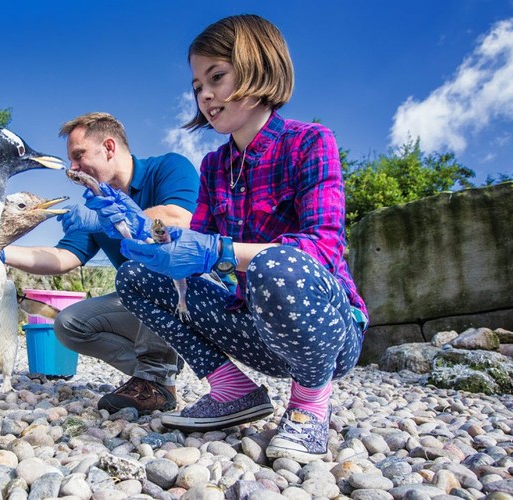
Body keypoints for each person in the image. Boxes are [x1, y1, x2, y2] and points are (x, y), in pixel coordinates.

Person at [108, 15, 369, 462]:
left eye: (217, 77)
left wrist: (217, 251)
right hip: (255, 331)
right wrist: (144, 231)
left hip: (327, 335)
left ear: (260, 69)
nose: (204, 95)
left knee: (278, 262)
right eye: (196, 86)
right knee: (135, 276)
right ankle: (232, 390)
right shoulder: (213, 166)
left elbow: (323, 249)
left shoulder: (310, 142)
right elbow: (200, 253)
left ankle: (309, 406)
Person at [1, 112, 199, 414]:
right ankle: (161, 370)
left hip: (193, 297)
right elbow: (63, 258)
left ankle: (155, 377)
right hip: (147, 303)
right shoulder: (97, 202)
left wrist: (118, 217)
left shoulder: (168, 168)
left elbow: (178, 221)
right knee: (69, 325)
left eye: (78, 156)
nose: (73, 168)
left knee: (152, 257)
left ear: (108, 148)